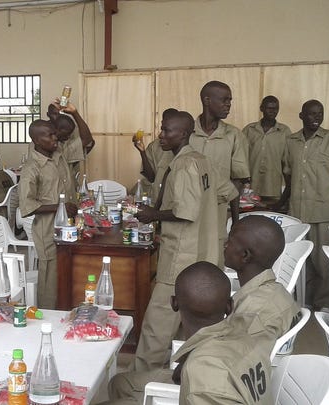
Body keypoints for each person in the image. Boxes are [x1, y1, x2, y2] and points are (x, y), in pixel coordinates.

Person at [107, 262, 273, 405]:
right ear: (229, 306)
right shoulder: (247, 333)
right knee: (120, 382)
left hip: (201, 386)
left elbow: (207, 382)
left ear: (174, 303)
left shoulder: (201, 372)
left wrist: (192, 365)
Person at [133, 110, 221, 371]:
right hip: (200, 252)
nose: (161, 135)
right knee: (187, 324)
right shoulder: (201, 160)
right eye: (162, 129)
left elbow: (185, 212)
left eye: (167, 130)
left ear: (183, 133)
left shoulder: (183, 165)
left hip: (181, 254)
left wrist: (152, 215)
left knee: (157, 324)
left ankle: (140, 381)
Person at [274, 100, 329, 312]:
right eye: (311, 114)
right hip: (297, 212)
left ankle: (324, 303)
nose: (316, 117)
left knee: (324, 261)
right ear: (301, 116)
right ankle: (304, 301)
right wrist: (280, 203)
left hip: (323, 210)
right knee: (300, 260)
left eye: (320, 113)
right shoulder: (291, 141)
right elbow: (289, 177)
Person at [189, 81, 250, 267]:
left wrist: (235, 223)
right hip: (186, 212)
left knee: (213, 264)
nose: (228, 105)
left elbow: (238, 180)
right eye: (224, 100)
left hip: (217, 214)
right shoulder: (187, 132)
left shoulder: (233, 135)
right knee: (186, 263)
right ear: (207, 100)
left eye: (230, 101)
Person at [19, 120, 76, 309]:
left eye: (54, 134)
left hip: (67, 227)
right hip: (47, 230)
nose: (55, 138)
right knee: (50, 280)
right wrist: (59, 206)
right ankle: (47, 319)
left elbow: (86, 140)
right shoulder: (32, 167)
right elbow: (27, 206)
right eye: (49, 135)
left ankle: (64, 312)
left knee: (67, 274)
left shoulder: (58, 156)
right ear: (35, 139)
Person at [224, 215, 300, 338]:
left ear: (245, 255)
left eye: (230, 241)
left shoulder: (252, 313)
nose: (225, 245)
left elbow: (231, 354)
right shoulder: (276, 291)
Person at [243, 96, 291, 202]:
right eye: (269, 108)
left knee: (270, 216)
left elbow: (286, 161)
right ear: (261, 108)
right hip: (250, 188)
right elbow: (241, 157)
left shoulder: (284, 131)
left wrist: (288, 190)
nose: (273, 111)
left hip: (272, 187)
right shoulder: (249, 130)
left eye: (276, 108)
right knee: (250, 217)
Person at [132, 108, 176, 202]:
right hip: (155, 197)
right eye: (163, 127)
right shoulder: (155, 146)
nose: (161, 135)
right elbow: (151, 178)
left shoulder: (188, 147)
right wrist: (142, 152)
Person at [45, 101, 95, 178]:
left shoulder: (68, 128)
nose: (57, 117)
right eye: (55, 114)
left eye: (60, 114)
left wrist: (74, 113)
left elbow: (88, 141)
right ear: (48, 114)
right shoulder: (40, 133)